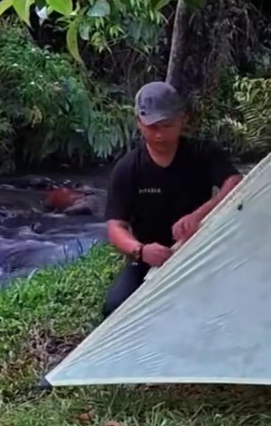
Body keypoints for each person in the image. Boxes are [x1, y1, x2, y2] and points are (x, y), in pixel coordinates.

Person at [100, 81, 243, 317]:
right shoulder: (128, 169)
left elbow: (234, 183)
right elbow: (116, 226)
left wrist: (200, 215)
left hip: (201, 251)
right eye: (152, 126)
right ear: (139, 123)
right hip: (150, 259)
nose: (159, 134)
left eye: (167, 125)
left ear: (182, 120)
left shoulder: (204, 153)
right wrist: (141, 250)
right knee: (114, 308)